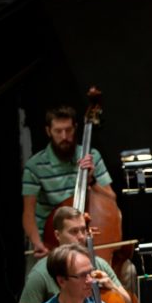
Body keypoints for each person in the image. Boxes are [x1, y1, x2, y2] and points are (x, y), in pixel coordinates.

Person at [17, 206, 132, 303]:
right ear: (57, 235)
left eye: (83, 230)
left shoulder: (99, 264)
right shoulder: (40, 272)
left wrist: (112, 286)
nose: (81, 237)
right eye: (74, 231)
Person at [22, 105, 116, 258]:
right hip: (51, 242)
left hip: (86, 236)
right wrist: (36, 242)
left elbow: (110, 199)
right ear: (48, 131)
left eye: (68, 130)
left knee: (127, 271)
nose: (64, 137)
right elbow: (28, 212)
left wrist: (92, 181)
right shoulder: (35, 166)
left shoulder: (91, 156)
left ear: (76, 128)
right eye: (58, 131)